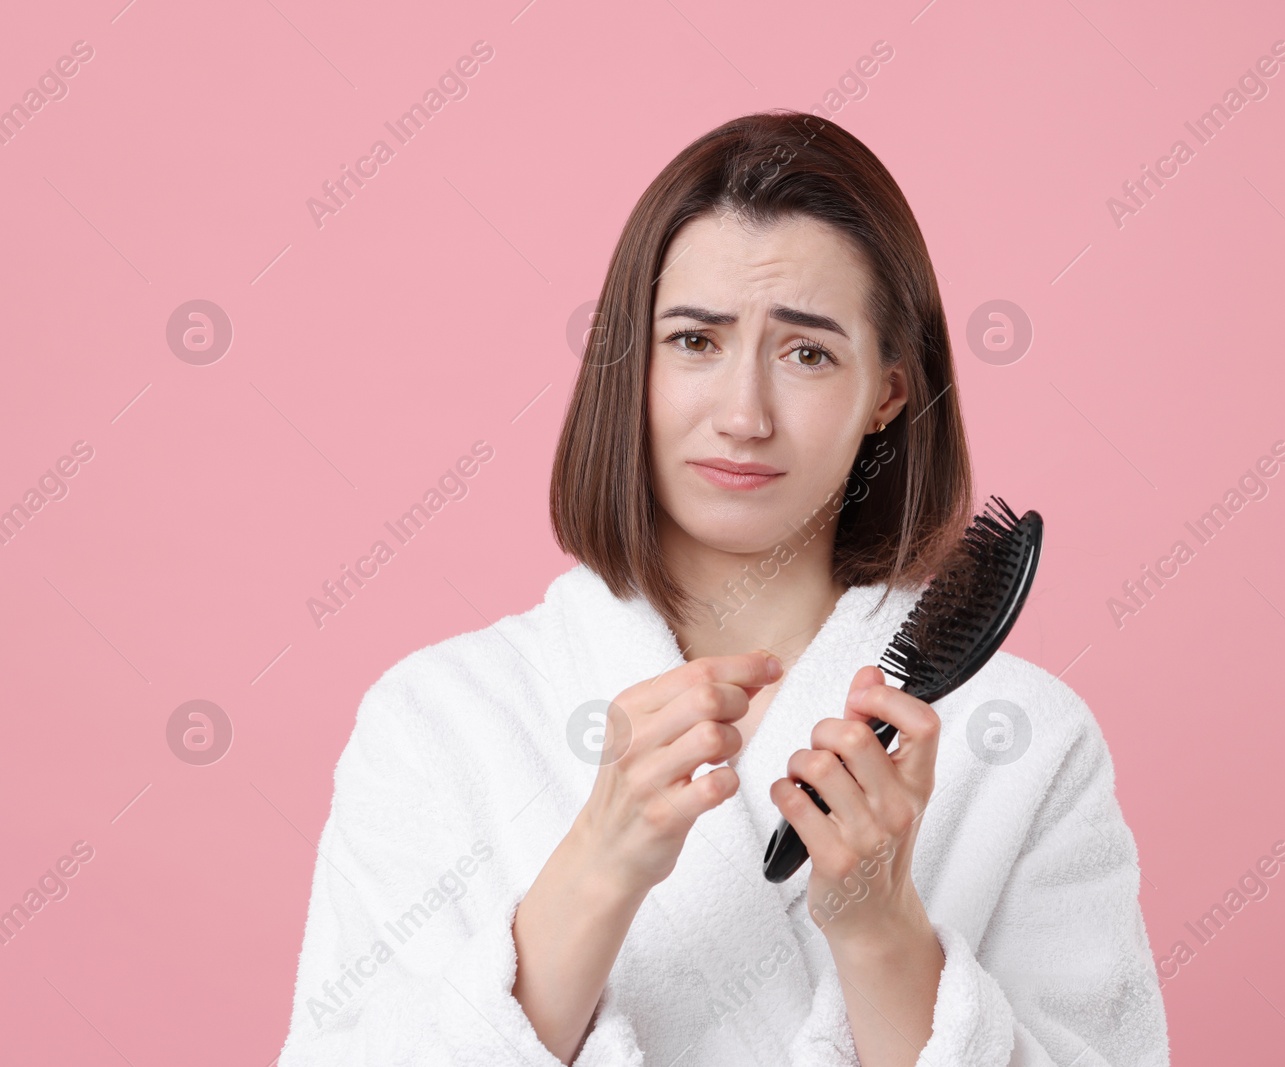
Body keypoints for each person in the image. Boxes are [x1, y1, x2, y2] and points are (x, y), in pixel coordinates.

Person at [277, 110, 1169, 1067]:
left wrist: (878, 930)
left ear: (890, 394)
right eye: (696, 341)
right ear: (630, 362)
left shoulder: (1025, 740)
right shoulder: (437, 720)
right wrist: (600, 863)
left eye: (807, 353)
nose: (743, 414)